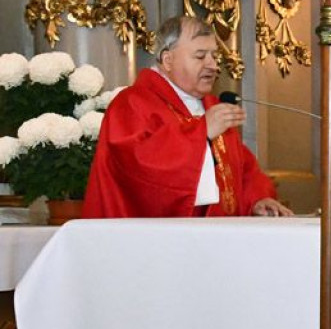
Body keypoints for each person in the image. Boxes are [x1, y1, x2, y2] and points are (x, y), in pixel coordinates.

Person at [83, 15, 292, 218]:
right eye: (200, 56)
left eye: (214, 56)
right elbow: (138, 169)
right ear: (167, 60)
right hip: (155, 241)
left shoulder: (211, 107)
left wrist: (257, 199)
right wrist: (201, 133)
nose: (213, 65)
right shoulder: (132, 103)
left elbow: (242, 169)